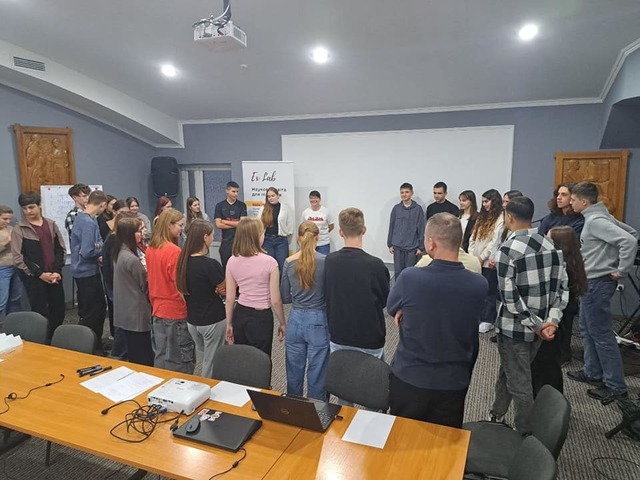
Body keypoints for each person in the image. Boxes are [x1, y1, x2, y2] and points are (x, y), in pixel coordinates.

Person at [388, 213, 488, 428]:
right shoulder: (479, 285)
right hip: (453, 382)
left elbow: (391, 307)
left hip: (410, 378)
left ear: (431, 244)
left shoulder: (409, 278)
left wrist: (404, 308)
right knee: (444, 443)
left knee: (402, 439)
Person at [489, 197, 568, 434]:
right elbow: (562, 288)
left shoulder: (507, 250)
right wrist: (550, 322)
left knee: (520, 383)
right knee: (511, 371)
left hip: (515, 328)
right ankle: (496, 415)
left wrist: (535, 324)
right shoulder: (551, 245)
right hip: (541, 329)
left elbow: (509, 297)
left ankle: (524, 433)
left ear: (509, 217)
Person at [567, 182, 637, 402]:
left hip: (598, 282)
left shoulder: (596, 221)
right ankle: (592, 372)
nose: (570, 202)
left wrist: (621, 270)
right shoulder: (600, 216)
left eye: (573, 199)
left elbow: (629, 240)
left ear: (584, 201)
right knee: (587, 329)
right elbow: (632, 232)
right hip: (591, 281)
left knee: (602, 335)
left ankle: (615, 386)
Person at [325, 208, 390, 360]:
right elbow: (384, 301)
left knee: (340, 374)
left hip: (339, 335)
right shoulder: (376, 265)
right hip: (370, 337)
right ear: (364, 230)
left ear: (340, 232)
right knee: (373, 375)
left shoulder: (330, 261)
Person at [531, 226, 587, 395]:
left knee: (545, 364)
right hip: (562, 318)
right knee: (550, 364)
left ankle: (546, 399)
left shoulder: (562, 268)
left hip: (554, 321)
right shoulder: (574, 263)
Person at [280, 221, 329, 400]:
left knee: (293, 373)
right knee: (318, 373)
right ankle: (317, 411)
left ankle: (294, 410)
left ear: (298, 239)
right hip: (318, 319)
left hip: (295, 319)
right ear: (317, 238)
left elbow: (285, 296)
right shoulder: (325, 261)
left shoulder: (288, 262)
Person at [225, 218, 286, 356]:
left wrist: (229, 324)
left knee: (242, 358)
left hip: (240, 313)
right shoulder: (270, 262)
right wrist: (282, 322)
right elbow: (275, 300)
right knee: (261, 359)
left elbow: (229, 299)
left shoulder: (232, 260)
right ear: (257, 236)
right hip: (261, 317)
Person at [146, 208, 195, 373]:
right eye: (180, 225)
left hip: (157, 310)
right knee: (180, 360)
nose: (182, 228)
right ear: (169, 225)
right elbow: (179, 285)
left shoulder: (151, 248)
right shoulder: (174, 252)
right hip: (175, 311)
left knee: (161, 355)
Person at [12, 192, 66, 340]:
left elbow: (60, 249)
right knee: (40, 312)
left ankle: (56, 339)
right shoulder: (19, 229)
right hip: (35, 278)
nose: (28, 211)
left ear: (39, 206)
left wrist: (57, 270)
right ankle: (44, 341)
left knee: (58, 309)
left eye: (31, 207)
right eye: (24, 208)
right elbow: (18, 257)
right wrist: (40, 274)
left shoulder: (51, 224)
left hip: (54, 275)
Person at [176, 219, 226, 378]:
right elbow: (224, 289)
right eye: (212, 235)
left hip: (193, 320)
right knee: (211, 362)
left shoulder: (182, 262)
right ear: (205, 237)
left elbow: (181, 290)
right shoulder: (210, 264)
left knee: (203, 357)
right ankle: (208, 388)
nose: (212, 238)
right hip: (212, 319)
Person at [112, 216, 153, 366]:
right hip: (136, 312)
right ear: (129, 234)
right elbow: (144, 284)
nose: (141, 234)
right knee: (143, 355)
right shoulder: (131, 259)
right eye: (138, 231)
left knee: (135, 352)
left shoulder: (120, 252)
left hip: (127, 311)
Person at [70, 190, 108, 348]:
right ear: (103, 204)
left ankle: (94, 343)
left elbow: (92, 246)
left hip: (85, 270)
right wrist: (102, 249)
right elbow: (87, 251)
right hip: (87, 272)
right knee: (94, 311)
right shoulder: (88, 222)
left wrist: (97, 246)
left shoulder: (83, 218)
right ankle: (89, 345)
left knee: (96, 308)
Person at [469, 189, 504, 333]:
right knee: (477, 291)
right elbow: (473, 237)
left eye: (487, 201)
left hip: (488, 261)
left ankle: (487, 320)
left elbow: (495, 241)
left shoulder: (500, 218)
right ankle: (477, 317)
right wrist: (472, 256)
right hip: (475, 260)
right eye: (483, 201)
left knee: (489, 291)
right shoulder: (481, 217)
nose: (484, 204)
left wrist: (481, 257)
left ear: (494, 201)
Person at [387, 182, 425, 280]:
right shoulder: (396, 209)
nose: (404, 194)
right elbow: (391, 226)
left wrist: (421, 247)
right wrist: (390, 244)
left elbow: (421, 228)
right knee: (398, 273)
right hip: (397, 246)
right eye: (402, 192)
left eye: (407, 192)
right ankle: (398, 290)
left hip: (412, 247)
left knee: (410, 273)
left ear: (412, 193)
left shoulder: (418, 209)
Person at [259, 187, 294, 275]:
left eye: (273, 195)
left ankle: (282, 284)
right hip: (267, 240)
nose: (271, 198)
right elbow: (258, 224)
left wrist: (286, 233)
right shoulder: (263, 208)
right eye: (269, 196)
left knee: (283, 266)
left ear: (278, 196)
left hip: (281, 240)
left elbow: (290, 223)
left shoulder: (285, 208)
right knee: (268, 266)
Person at [214, 181, 247, 270]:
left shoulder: (242, 205)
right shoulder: (219, 206)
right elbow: (218, 224)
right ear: (227, 191)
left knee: (240, 268)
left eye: (237, 192)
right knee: (226, 268)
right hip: (226, 241)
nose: (236, 194)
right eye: (233, 191)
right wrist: (236, 224)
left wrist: (225, 221)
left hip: (239, 241)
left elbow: (242, 224)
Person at [0, 205, 22, 316]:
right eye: (4, 219)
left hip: (16, 266)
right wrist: (7, 242)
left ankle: (14, 322)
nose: (8, 222)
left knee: (15, 298)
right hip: (2, 268)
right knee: (2, 300)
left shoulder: (11, 229)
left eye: (9, 219)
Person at [301, 190, 334, 255]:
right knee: (310, 261)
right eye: (311, 198)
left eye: (316, 198)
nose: (313, 200)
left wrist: (322, 233)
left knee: (323, 260)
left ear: (319, 199)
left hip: (323, 244)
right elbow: (302, 227)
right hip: (310, 244)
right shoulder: (305, 212)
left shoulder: (326, 211)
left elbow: (331, 226)